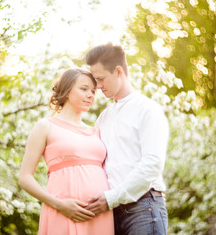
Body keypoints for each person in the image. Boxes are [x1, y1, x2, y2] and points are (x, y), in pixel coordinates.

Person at [85, 43, 169, 235]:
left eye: (101, 79)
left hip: (144, 208)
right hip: (110, 213)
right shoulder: (103, 118)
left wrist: (112, 198)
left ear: (118, 71)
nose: (97, 87)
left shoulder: (148, 110)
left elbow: (152, 164)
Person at [18, 68, 114, 235]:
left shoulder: (96, 131)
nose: (91, 95)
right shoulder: (45, 127)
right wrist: (59, 204)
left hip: (100, 214)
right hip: (63, 211)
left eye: (93, 91)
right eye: (84, 89)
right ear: (67, 90)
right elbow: (24, 178)